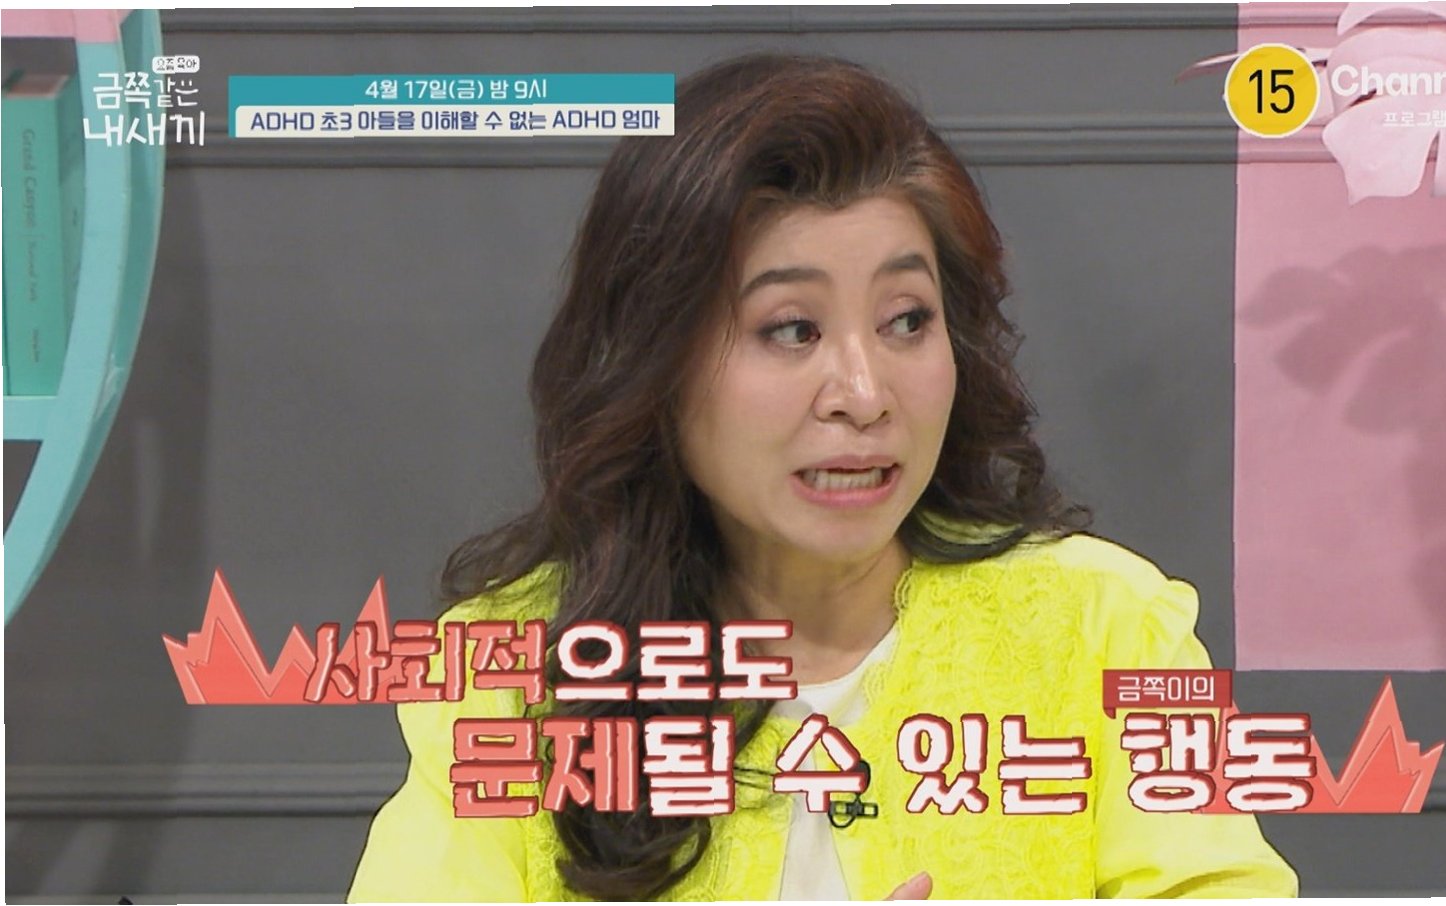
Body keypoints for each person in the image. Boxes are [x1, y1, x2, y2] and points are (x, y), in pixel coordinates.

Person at [348, 52, 1298, 901]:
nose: (864, 393)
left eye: (906, 321)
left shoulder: (1102, 627)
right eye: (792, 329)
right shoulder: (515, 674)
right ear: (656, 362)